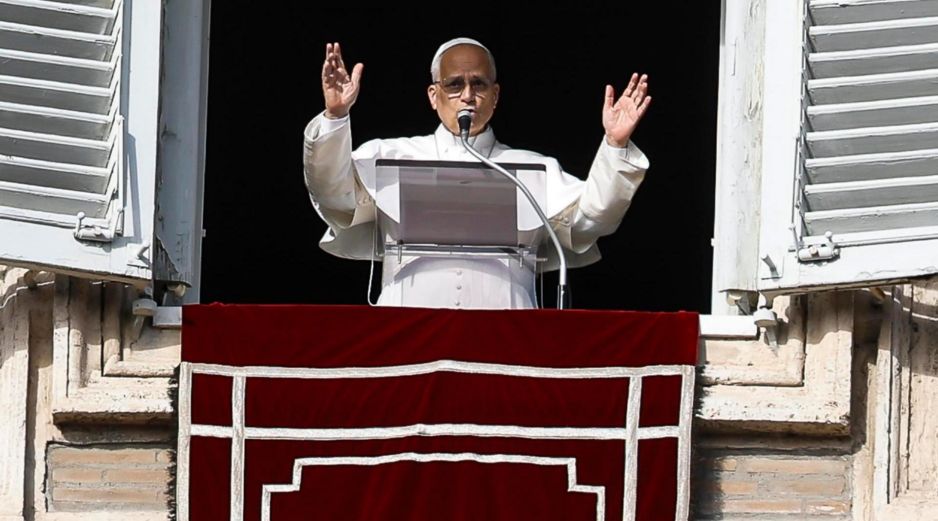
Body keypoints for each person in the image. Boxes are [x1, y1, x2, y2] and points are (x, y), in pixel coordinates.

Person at [303, 38, 651, 309]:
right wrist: (335, 118)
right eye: (454, 84)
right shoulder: (391, 156)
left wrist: (615, 146)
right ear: (433, 95)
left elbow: (591, 220)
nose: (467, 95)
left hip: (507, 336)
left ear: (495, 95)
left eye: (479, 84)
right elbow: (334, 196)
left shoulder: (533, 169)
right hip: (409, 330)